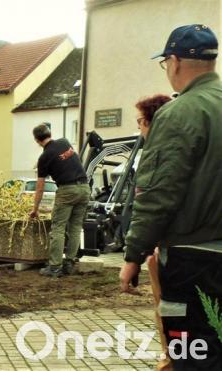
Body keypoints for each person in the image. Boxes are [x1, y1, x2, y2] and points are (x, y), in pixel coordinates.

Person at [119, 24, 222, 369]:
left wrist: (134, 255)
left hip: (193, 261)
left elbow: (157, 194)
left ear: (174, 61)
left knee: (191, 351)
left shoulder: (179, 113)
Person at [29, 124, 90, 277]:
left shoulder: (44, 158)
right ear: (50, 133)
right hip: (84, 187)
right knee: (75, 227)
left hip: (67, 190)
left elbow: (40, 187)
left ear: (36, 140)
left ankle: (55, 266)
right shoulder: (65, 142)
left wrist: (35, 209)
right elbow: (66, 160)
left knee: (58, 227)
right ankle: (69, 263)